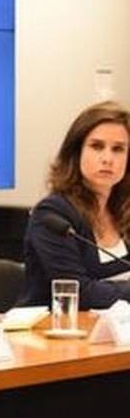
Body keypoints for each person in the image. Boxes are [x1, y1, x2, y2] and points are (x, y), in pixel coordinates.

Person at [22, 101, 130, 309]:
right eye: (96, 146)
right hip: (53, 326)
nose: (107, 159)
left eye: (118, 149)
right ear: (76, 152)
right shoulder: (52, 215)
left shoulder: (124, 210)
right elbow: (80, 292)